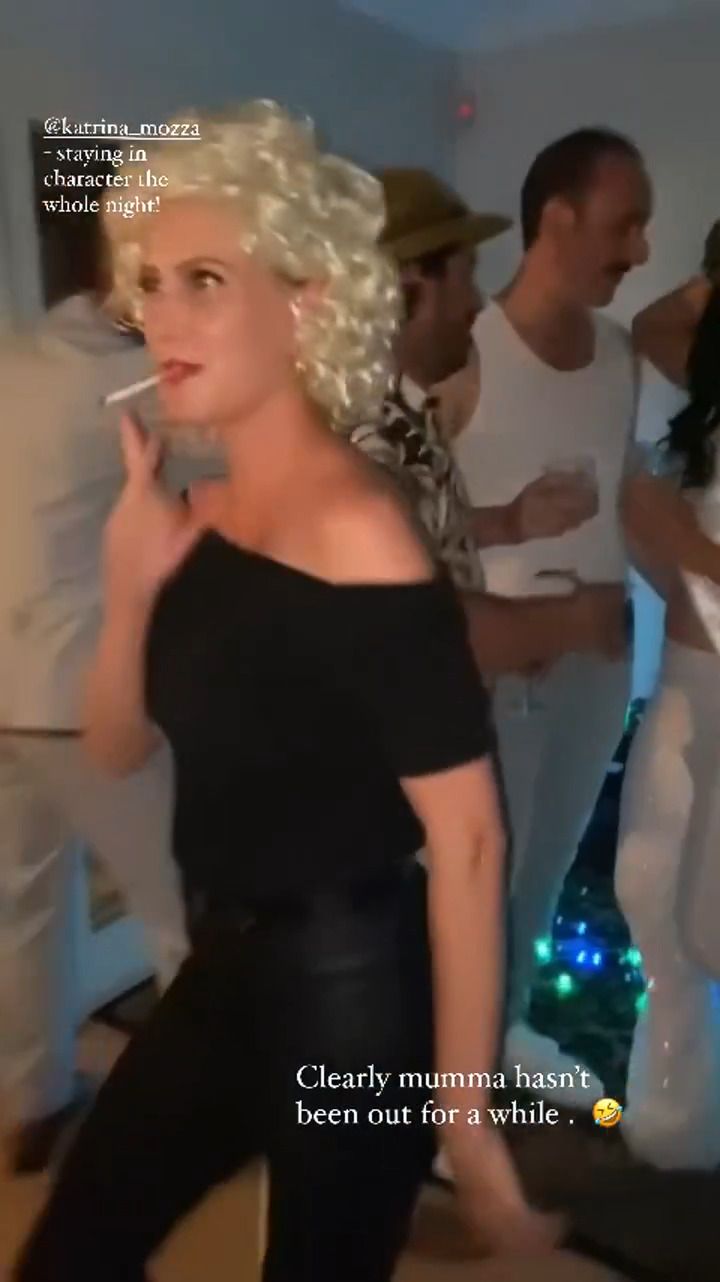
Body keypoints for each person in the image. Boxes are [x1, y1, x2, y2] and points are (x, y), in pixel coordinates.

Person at [14, 101, 562, 1282]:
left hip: (353, 989)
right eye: (151, 283)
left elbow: (469, 839)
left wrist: (466, 1119)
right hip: (224, 965)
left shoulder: (362, 534)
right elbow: (115, 747)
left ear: (308, 303)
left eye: (205, 279)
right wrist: (128, 589)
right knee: (69, 1252)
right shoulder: (195, 512)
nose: (162, 315)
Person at [448, 129, 650, 1098]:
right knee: (480, 879)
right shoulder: (464, 351)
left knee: (546, 873)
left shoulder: (619, 354)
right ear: (557, 220)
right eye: (625, 225)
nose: (640, 249)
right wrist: (506, 526)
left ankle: (502, 1031)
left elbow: (626, 491)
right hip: (502, 669)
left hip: (598, 668)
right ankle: (450, 1079)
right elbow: (400, 526)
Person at [0, 242, 208, 1172]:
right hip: (83, 694)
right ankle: (204, 1116)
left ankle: (29, 1105)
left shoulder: (15, 360)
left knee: (22, 909)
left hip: (4, 690)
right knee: (183, 913)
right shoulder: (128, 384)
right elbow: (243, 450)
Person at [351, 166, 626, 681]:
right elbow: (405, 627)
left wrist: (510, 522)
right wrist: (569, 622)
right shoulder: (360, 437)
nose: (477, 303)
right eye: (466, 274)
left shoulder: (405, 413)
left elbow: (418, 535)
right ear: (410, 287)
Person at [616, 227, 720, 1169]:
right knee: (646, 886)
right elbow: (652, 324)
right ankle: (676, 1120)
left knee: (708, 925)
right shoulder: (713, 386)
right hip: (691, 674)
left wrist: (679, 542)